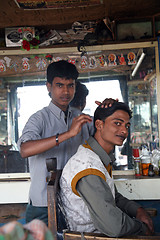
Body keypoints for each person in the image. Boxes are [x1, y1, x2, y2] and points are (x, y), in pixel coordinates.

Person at [17, 60, 114, 226]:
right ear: (48, 87)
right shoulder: (39, 118)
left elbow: (105, 147)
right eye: (59, 85)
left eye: (70, 85)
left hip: (76, 203)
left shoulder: (82, 119)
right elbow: (25, 150)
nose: (66, 91)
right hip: (43, 204)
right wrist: (68, 134)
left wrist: (109, 112)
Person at [60, 101, 154, 237]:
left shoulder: (97, 158)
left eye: (127, 125)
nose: (124, 131)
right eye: (117, 123)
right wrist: (142, 228)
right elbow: (114, 226)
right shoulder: (87, 166)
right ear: (99, 125)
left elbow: (112, 196)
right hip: (94, 237)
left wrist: (137, 210)